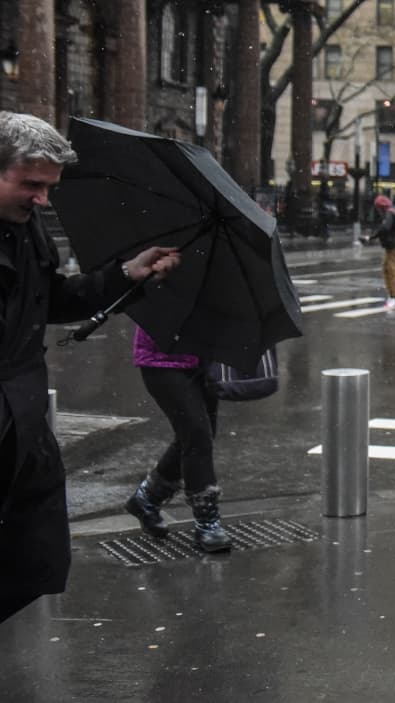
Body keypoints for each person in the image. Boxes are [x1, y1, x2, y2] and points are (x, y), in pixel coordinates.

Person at [0, 111, 181, 623]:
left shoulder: (28, 226)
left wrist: (128, 275)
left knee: (36, 560)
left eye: (49, 187)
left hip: (24, 427)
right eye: (31, 184)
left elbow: (52, 298)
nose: (42, 199)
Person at [124, 326, 229, 552]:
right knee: (197, 435)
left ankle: (146, 498)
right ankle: (207, 523)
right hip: (162, 359)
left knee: (198, 434)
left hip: (204, 358)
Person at [370, 195, 395, 309]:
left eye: (378, 208)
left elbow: (385, 228)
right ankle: (392, 295)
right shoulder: (391, 214)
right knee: (387, 269)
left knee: (391, 270)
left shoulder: (389, 214)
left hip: (392, 247)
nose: (377, 211)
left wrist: (373, 236)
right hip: (390, 246)